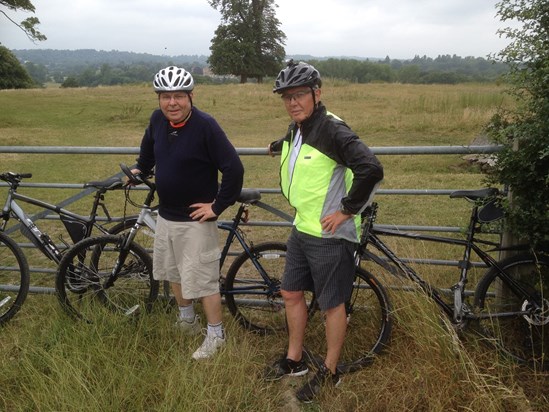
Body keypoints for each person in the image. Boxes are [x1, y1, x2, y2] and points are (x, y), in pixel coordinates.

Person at [264, 60, 384, 402]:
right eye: (286, 96)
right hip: (302, 227)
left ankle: (330, 372)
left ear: (317, 94)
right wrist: (279, 145)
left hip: (330, 235)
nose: (292, 102)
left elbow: (371, 168)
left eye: (299, 94)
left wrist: (346, 210)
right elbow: (298, 141)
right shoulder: (298, 127)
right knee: (290, 293)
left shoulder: (333, 130)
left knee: (333, 305)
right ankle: (295, 360)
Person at [133, 66, 244, 360]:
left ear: (191, 96)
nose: (172, 102)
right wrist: (137, 171)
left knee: (204, 279)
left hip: (196, 221)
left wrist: (217, 206)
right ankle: (187, 320)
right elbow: (147, 155)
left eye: (179, 96)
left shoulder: (206, 125)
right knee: (174, 272)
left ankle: (216, 333)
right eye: (166, 96)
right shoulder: (157, 120)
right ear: (159, 99)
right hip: (166, 215)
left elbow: (234, 168)